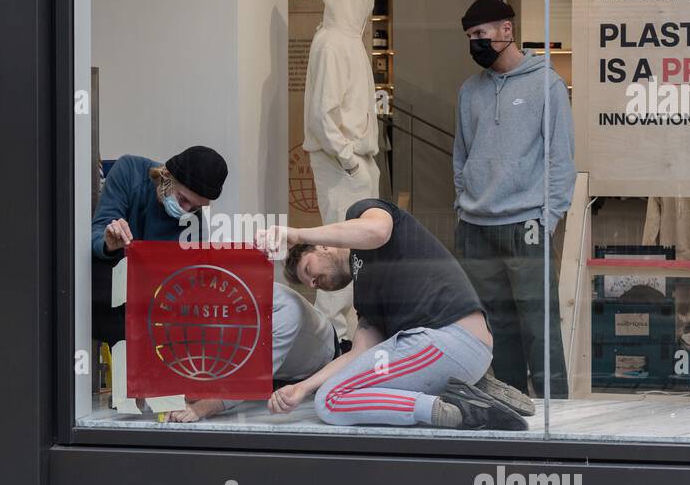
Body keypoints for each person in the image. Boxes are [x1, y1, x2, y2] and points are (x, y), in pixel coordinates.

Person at [258, 200, 535, 430]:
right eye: (310, 285)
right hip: (442, 350)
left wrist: (298, 234)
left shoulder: (363, 213)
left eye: (308, 270)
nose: (315, 283)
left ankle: (458, 409)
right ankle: (464, 389)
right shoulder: (365, 299)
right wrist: (302, 388)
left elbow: (378, 231)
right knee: (335, 388)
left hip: (447, 338)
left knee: (331, 400)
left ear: (324, 246)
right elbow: (357, 356)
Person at [454, 0, 575, 398]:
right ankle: (509, 409)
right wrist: (463, 203)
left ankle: (558, 417)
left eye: (481, 34)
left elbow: (561, 157)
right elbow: (462, 155)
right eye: (470, 36)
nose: (475, 43)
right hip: (475, 227)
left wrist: (549, 217)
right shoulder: (469, 90)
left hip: (526, 224)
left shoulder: (547, 84)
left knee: (540, 327)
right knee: (494, 329)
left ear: (507, 31)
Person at [302, 0, 387, 342]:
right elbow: (323, 112)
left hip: (355, 162)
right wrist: (349, 159)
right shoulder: (333, 42)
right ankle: (331, 345)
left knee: (356, 257)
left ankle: (350, 342)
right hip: (343, 164)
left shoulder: (347, 40)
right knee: (336, 257)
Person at [90, 145, 228, 344]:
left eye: (195, 207)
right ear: (166, 175)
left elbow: (184, 286)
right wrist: (108, 243)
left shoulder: (194, 225)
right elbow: (98, 229)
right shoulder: (129, 171)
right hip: (109, 281)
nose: (185, 210)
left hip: (150, 303)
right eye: (182, 199)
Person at [169, 283, 339, 422]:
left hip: (315, 369)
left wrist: (201, 408)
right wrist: (169, 401)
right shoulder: (211, 303)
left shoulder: (285, 312)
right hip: (268, 367)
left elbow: (251, 380)